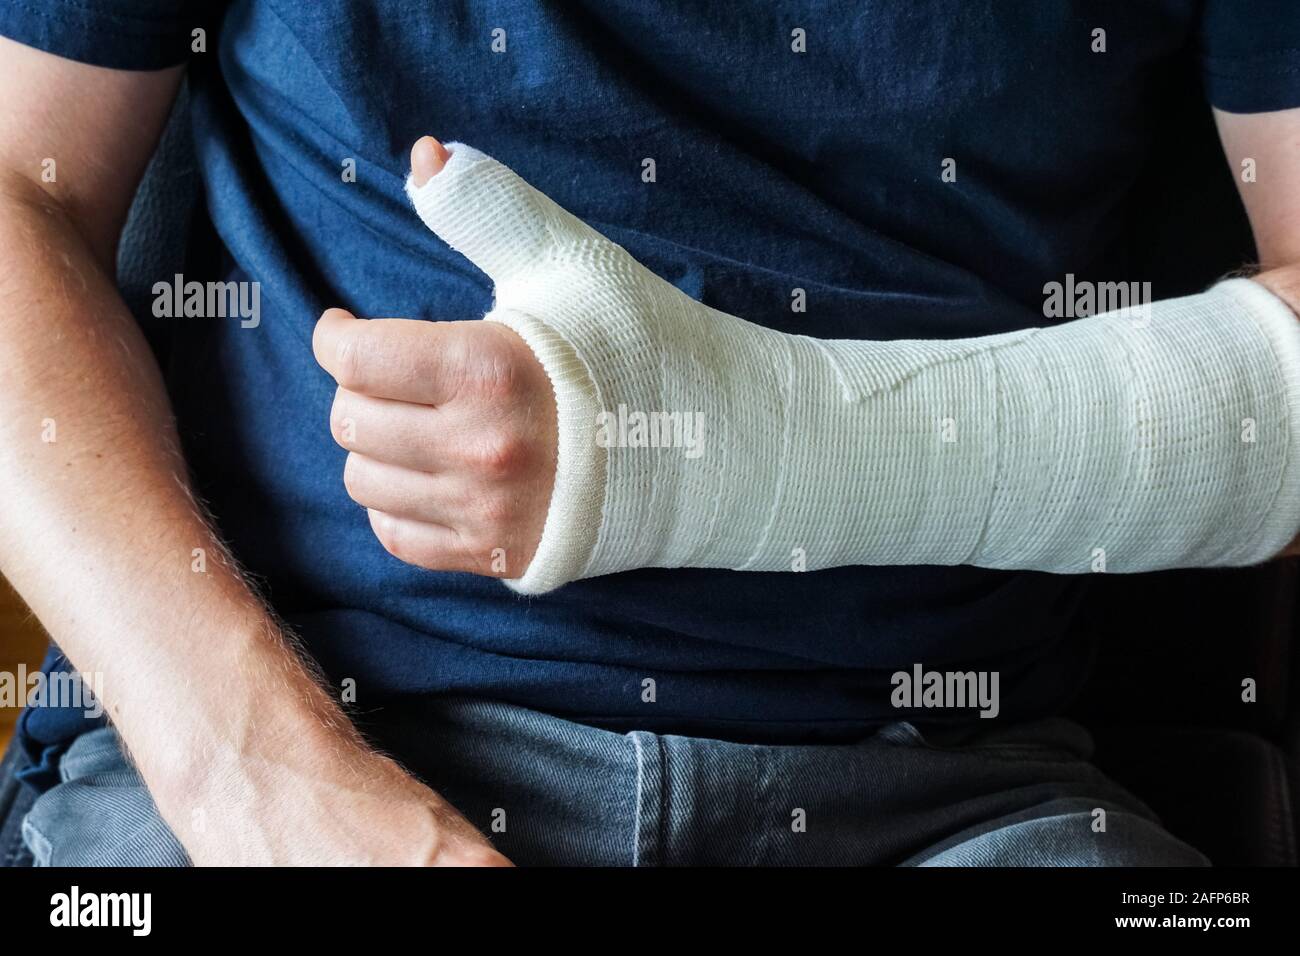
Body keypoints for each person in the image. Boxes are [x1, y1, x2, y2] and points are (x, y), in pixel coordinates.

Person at [2, 1, 1298, 866]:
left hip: (957, 795)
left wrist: (739, 450)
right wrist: (267, 792)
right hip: (307, 743)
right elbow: (19, 195)